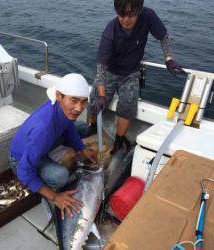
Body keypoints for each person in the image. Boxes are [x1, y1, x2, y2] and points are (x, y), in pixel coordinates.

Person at [89, 0, 184, 154]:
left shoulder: (148, 16)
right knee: (94, 101)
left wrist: (168, 58)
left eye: (131, 14)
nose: (126, 19)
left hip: (132, 71)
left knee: (128, 105)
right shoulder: (110, 31)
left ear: (139, 10)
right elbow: (101, 69)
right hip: (110, 71)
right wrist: (101, 96)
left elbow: (164, 36)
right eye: (122, 14)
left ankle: (119, 141)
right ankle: (92, 127)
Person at [9, 73, 97, 220]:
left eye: (83, 102)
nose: (79, 108)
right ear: (58, 96)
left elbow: (68, 127)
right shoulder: (44, 129)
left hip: (40, 144)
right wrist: (55, 197)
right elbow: (24, 171)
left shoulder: (61, 109)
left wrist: (82, 149)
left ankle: (50, 153)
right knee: (60, 176)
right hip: (19, 161)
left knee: (80, 126)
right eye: (73, 100)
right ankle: (47, 167)